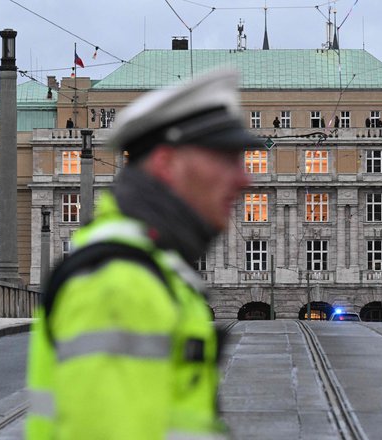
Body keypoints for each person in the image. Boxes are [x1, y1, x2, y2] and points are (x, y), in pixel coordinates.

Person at [26, 70, 259, 439]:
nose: (244, 179)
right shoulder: (120, 285)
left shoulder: (155, 269)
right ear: (167, 164)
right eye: (226, 158)